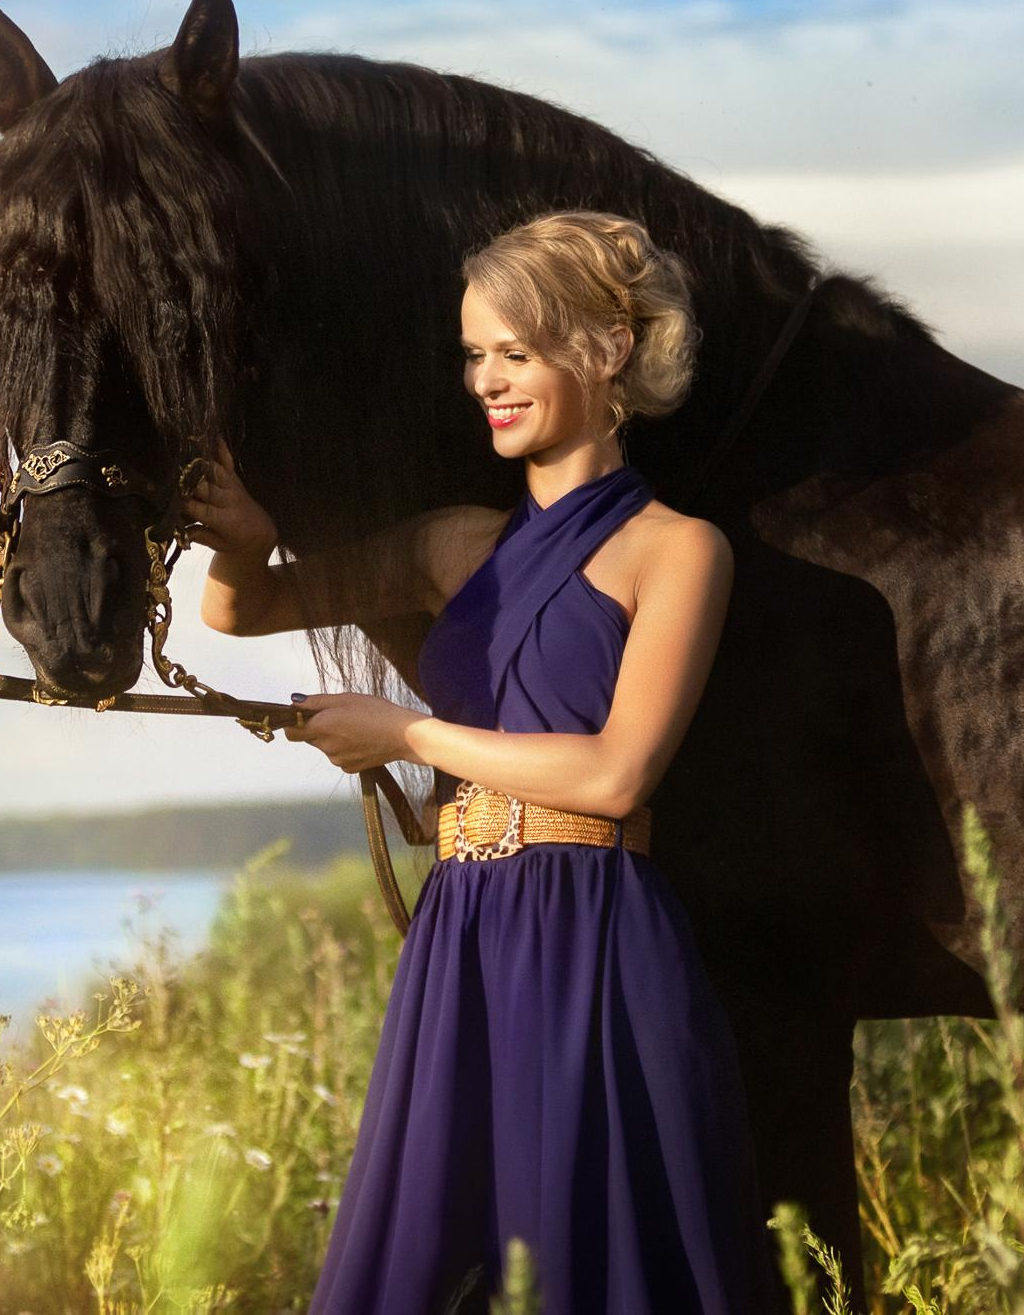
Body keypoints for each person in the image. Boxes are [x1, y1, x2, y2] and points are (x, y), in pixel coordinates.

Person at [188, 210, 775, 1314]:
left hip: (598, 933)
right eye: (473, 356)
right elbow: (245, 610)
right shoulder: (453, 546)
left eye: (515, 353)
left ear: (607, 352)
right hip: (462, 930)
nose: (487, 383)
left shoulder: (681, 551)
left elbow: (616, 775)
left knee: (595, 1262)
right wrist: (237, 536)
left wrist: (404, 734)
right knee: (418, 1264)